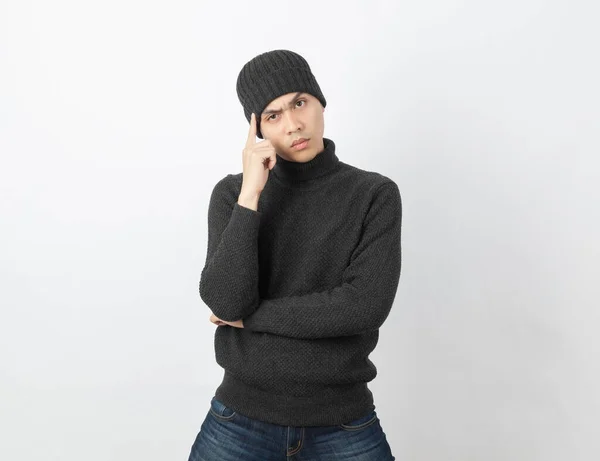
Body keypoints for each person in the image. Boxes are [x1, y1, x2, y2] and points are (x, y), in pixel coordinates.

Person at [187, 49, 401, 460]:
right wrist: (252, 193)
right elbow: (225, 300)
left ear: (320, 102)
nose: (294, 124)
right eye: (273, 115)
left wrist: (250, 317)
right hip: (240, 418)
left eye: (300, 103)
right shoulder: (233, 194)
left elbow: (363, 306)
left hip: (343, 419)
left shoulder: (373, 194)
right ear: (257, 129)